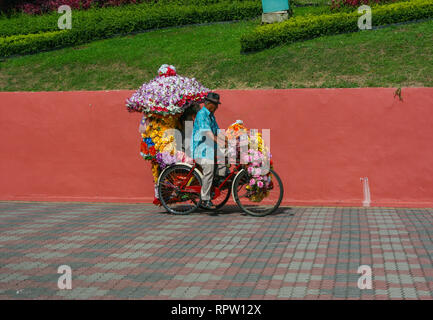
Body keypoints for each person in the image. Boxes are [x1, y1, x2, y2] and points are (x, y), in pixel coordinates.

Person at [191, 92, 228, 209]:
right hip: (200, 150)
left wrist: (229, 138)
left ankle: (218, 179)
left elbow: (217, 131)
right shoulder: (202, 115)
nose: (217, 107)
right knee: (209, 168)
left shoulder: (211, 115)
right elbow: (208, 133)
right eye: (216, 104)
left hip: (210, 149)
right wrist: (218, 140)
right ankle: (205, 199)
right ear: (209, 104)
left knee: (226, 155)